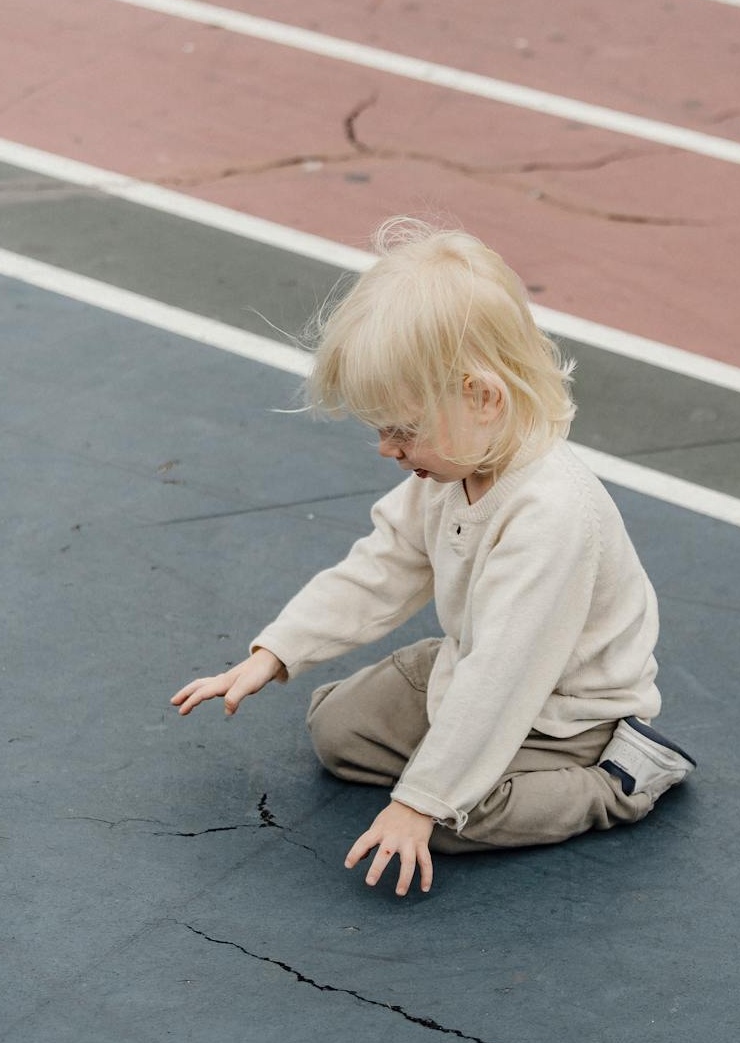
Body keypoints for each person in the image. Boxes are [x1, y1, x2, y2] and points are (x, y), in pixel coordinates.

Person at [171, 217, 695, 896]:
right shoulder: (452, 467)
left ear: (482, 398)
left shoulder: (551, 515)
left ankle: (619, 782)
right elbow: (383, 566)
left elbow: (504, 675)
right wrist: (275, 652)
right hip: (471, 662)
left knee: (453, 819)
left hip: (563, 711)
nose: (387, 449)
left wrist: (419, 804)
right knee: (337, 731)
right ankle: (451, 761)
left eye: (403, 429)